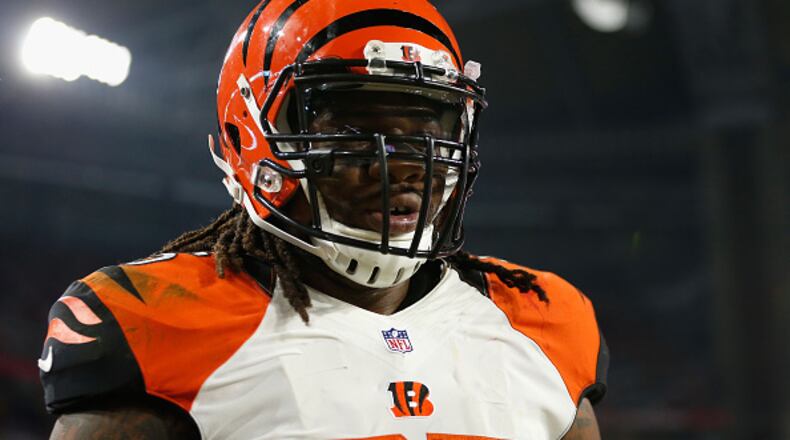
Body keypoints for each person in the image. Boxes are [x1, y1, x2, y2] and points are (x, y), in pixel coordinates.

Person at [40, 1, 608, 438]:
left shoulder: (543, 320)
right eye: (355, 130)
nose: (404, 166)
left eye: (429, 132)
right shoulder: (156, 321)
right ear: (251, 135)